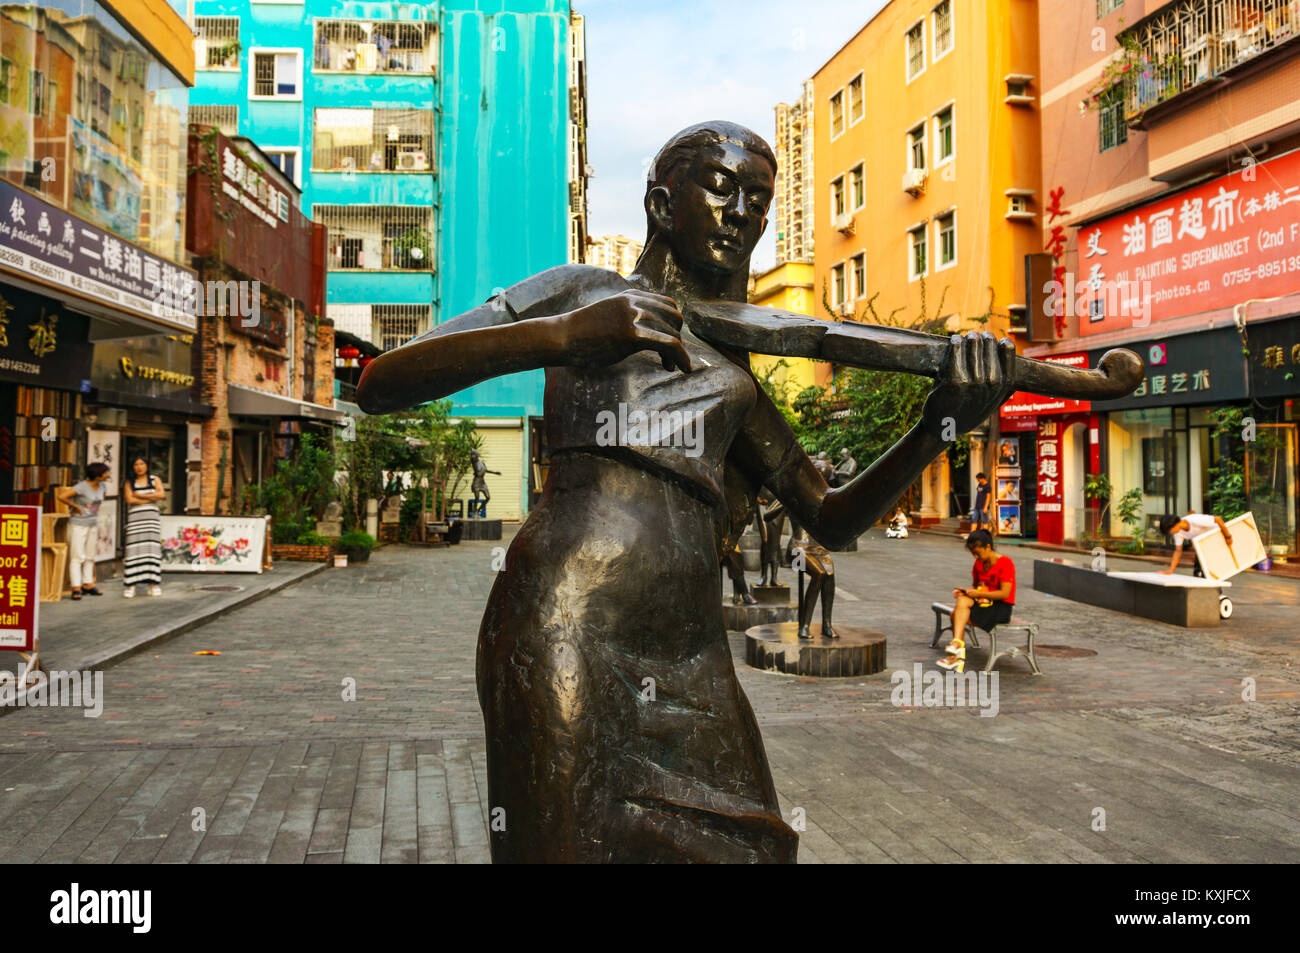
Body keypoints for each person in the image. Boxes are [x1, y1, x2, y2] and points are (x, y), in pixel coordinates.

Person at [355, 120, 1017, 863]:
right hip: (568, 627)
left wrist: (940, 425)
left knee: (754, 849)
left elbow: (830, 518)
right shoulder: (581, 293)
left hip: (692, 657)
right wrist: (566, 336)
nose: (744, 214)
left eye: (760, 201)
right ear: (662, 205)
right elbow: (383, 381)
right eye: (723, 188)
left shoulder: (734, 372)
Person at [940, 529, 1016, 672]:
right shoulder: (978, 564)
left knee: (955, 615)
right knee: (961, 602)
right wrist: (967, 592)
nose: (976, 557)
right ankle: (956, 648)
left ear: (988, 547)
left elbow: (1005, 594)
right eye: (973, 553)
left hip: (1000, 608)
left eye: (978, 553)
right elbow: (976, 587)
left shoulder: (1005, 563)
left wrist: (977, 593)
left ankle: (956, 657)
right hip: (983, 604)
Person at [54, 462, 111, 601]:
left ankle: (88, 584)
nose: (108, 474)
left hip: (93, 523)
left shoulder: (103, 486)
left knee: (90, 555)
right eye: (105, 472)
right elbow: (61, 496)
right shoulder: (82, 486)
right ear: (97, 474)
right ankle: (76, 587)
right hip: (78, 524)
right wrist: (75, 507)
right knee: (77, 555)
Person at [122, 456, 165, 597]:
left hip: (151, 519)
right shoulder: (129, 482)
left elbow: (161, 495)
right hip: (135, 519)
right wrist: (150, 496)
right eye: (136, 464)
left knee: (151, 550)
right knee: (134, 550)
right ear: (132, 467)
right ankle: (130, 585)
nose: (139, 467)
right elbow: (129, 499)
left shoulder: (155, 479)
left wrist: (140, 497)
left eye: (142, 463)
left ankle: (153, 584)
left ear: (147, 465)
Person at [1158, 512, 1232, 576]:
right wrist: (1171, 570)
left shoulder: (1194, 520)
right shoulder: (1178, 533)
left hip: (1218, 537)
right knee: (1199, 571)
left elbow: (1218, 519)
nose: (1170, 533)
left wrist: (1227, 536)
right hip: (1205, 545)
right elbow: (1178, 551)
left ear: (1174, 524)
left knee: (1214, 569)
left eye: (1170, 530)